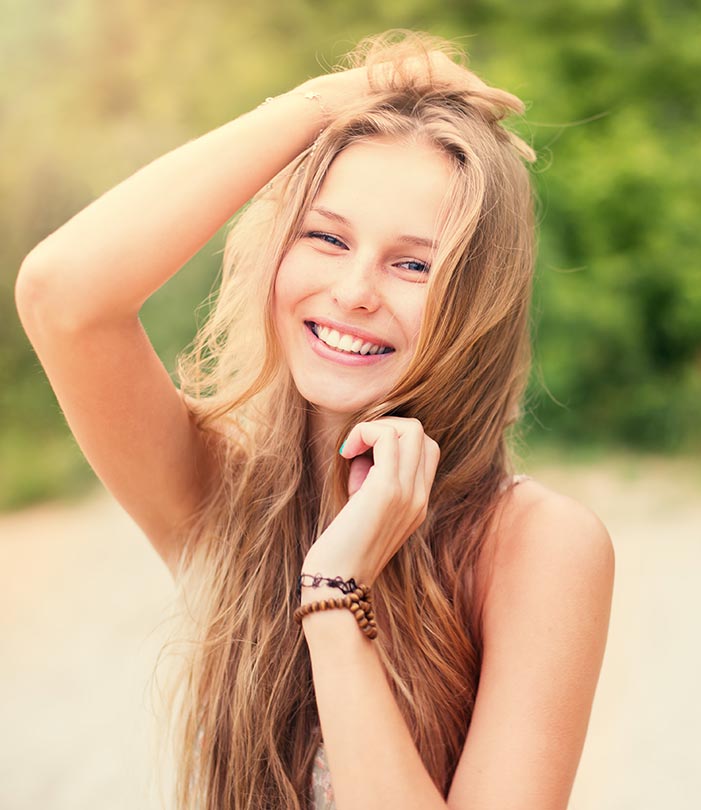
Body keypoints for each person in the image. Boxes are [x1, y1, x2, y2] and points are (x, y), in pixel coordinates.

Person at [15, 30, 614, 810]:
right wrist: (332, 99)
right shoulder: (217, 489)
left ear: (477, 298)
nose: (354, 290)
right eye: (326, 238)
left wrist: (335, 598)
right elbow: (62, 296)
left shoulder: (538, 546)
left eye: (413, 263)